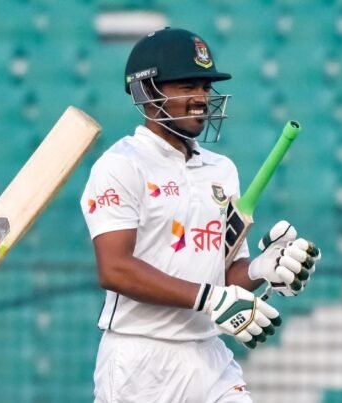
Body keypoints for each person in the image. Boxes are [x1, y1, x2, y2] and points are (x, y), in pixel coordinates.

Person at [80, 28, 321, 402]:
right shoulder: (121, 165)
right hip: (140, 361)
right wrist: (212, 299)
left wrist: (261, 270)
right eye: (187, 86)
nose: (202, 99)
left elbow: (226, 277)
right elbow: (115, 269)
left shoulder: (221, 171)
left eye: (205, 88)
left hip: (208, 355)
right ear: (148, 92)